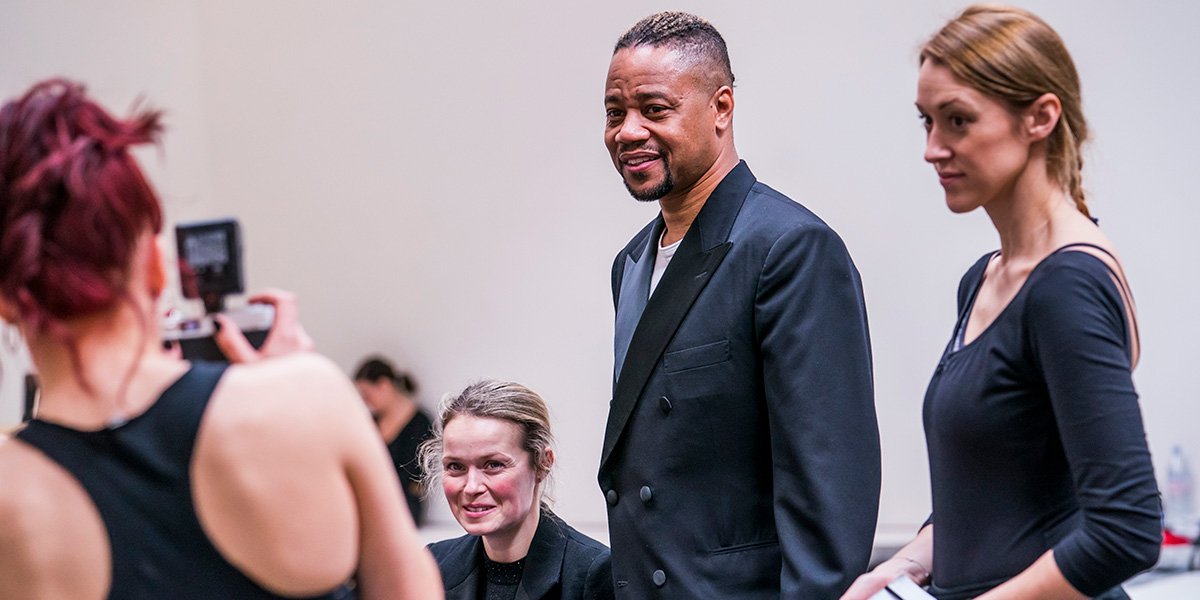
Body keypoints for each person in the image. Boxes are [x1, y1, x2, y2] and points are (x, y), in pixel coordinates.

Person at [0, 79, 442, 599]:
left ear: (7, 301)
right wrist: (291, 387)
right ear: (156, 269)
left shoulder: (12, 495)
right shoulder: (308, 400)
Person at [842, 6, 1161, 600]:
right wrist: (904, 566)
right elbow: (997, 498)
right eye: (927, 122)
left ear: (1040, 118)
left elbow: (1128, 528)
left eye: (958, 121)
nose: (933, 148)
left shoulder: (1066, 286)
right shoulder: (984, 279)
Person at [600, 12, 880, 599]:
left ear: (721, 108)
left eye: (654, 110)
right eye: (614, 112)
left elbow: (826, 491)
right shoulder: (630, 264)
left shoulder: (789, 248)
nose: (627, 131)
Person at [421, 379, 614, 600]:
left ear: (542, 463)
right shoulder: (435, 564)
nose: (472, 487)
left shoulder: (592, 573)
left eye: (493, 465)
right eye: (456, 467)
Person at [353, 356, 434, 525]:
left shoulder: (420, 422)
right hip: (369, 500)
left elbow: (414, 476)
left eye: (367, 395)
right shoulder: (370, 422)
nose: (365, 402)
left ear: (384, 385)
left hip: (403, 505)